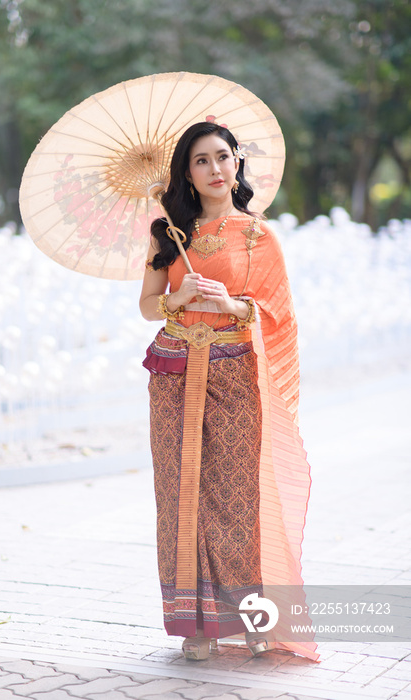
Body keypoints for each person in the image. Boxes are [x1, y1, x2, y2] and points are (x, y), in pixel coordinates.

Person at [139, 121, 318, 662]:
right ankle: (197, 626)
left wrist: (231, 304)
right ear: (186, 175)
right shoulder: (167, 233)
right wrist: (179, 296)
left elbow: (278, 314)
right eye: (201, 161)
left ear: (237, 162)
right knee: (179, 496)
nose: (215, 169)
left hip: (235, 373)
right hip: (172, 372)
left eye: (222, 157)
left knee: (237, 499)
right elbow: (149, 304)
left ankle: (252, 618)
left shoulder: (260, 235)